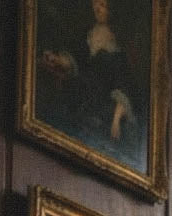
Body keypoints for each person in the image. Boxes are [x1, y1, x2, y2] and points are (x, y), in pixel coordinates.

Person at [39, 0, 142, 169]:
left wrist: (116, 119)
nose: (97, 9)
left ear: (110, 9)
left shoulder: (118, 53)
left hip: (104, 105)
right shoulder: (87, 36)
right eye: (95, 5)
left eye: (102, 5)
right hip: (82, 95)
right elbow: (76, 60)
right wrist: (58, 60)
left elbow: (124, 87)